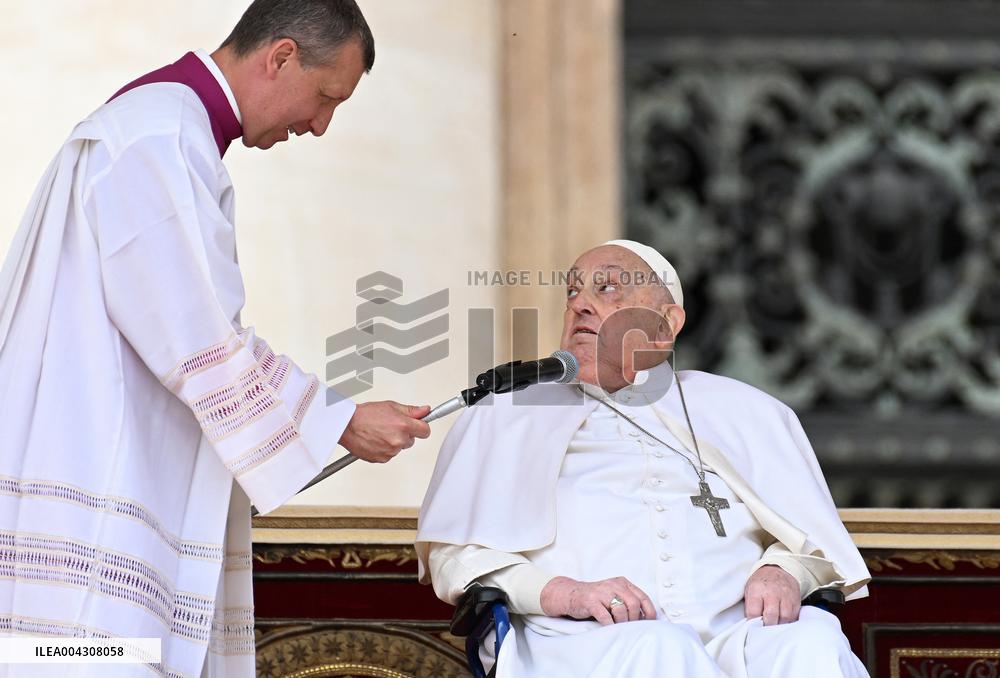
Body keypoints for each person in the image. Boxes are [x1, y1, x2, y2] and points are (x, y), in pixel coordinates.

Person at [0, 1, 429, 676]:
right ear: (281, 55)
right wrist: (337, 419)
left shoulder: (167, 131)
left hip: (111, 491)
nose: (319, 126)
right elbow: (197, 338)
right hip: (95, 514)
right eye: (325, 98)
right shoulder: (157, 137)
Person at [417, 240, 872, 677]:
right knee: (662, 648)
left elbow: (813, 544)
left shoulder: (746, 411)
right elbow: (458, 555)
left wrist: (784, 568)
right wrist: (562, 593)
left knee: (811, 641)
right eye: (572, 292)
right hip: (579, 639)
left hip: (739, 632)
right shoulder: (507, 412)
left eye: (608, 287)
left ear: (666, 322)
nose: (580, 304)